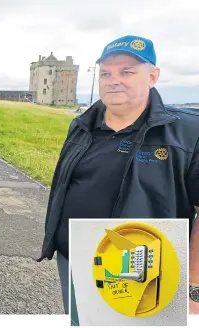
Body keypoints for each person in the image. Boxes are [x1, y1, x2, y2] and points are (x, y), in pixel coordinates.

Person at [35, 35, 199, 314]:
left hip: (143, 270)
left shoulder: (186, 132)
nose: (114, 80)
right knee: (78, 318)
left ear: (153, 76)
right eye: (106, 73)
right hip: (73, 257)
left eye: (127, 71)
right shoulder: (81, 125)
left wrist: (193, 288)